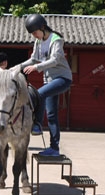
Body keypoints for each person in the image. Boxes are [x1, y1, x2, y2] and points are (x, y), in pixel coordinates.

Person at [20, 14, 72, 157]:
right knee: (51, 115)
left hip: (62, 78)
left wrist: (37, 68)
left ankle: (36, 124)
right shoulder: (38, 42)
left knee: (39, 94)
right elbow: (33, 59)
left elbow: (55, 60)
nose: (34, 36)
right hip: (49, 80)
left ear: (43, 27)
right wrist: (17, 67)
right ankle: (54, 149)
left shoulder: (56, 40)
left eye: (35, 32)